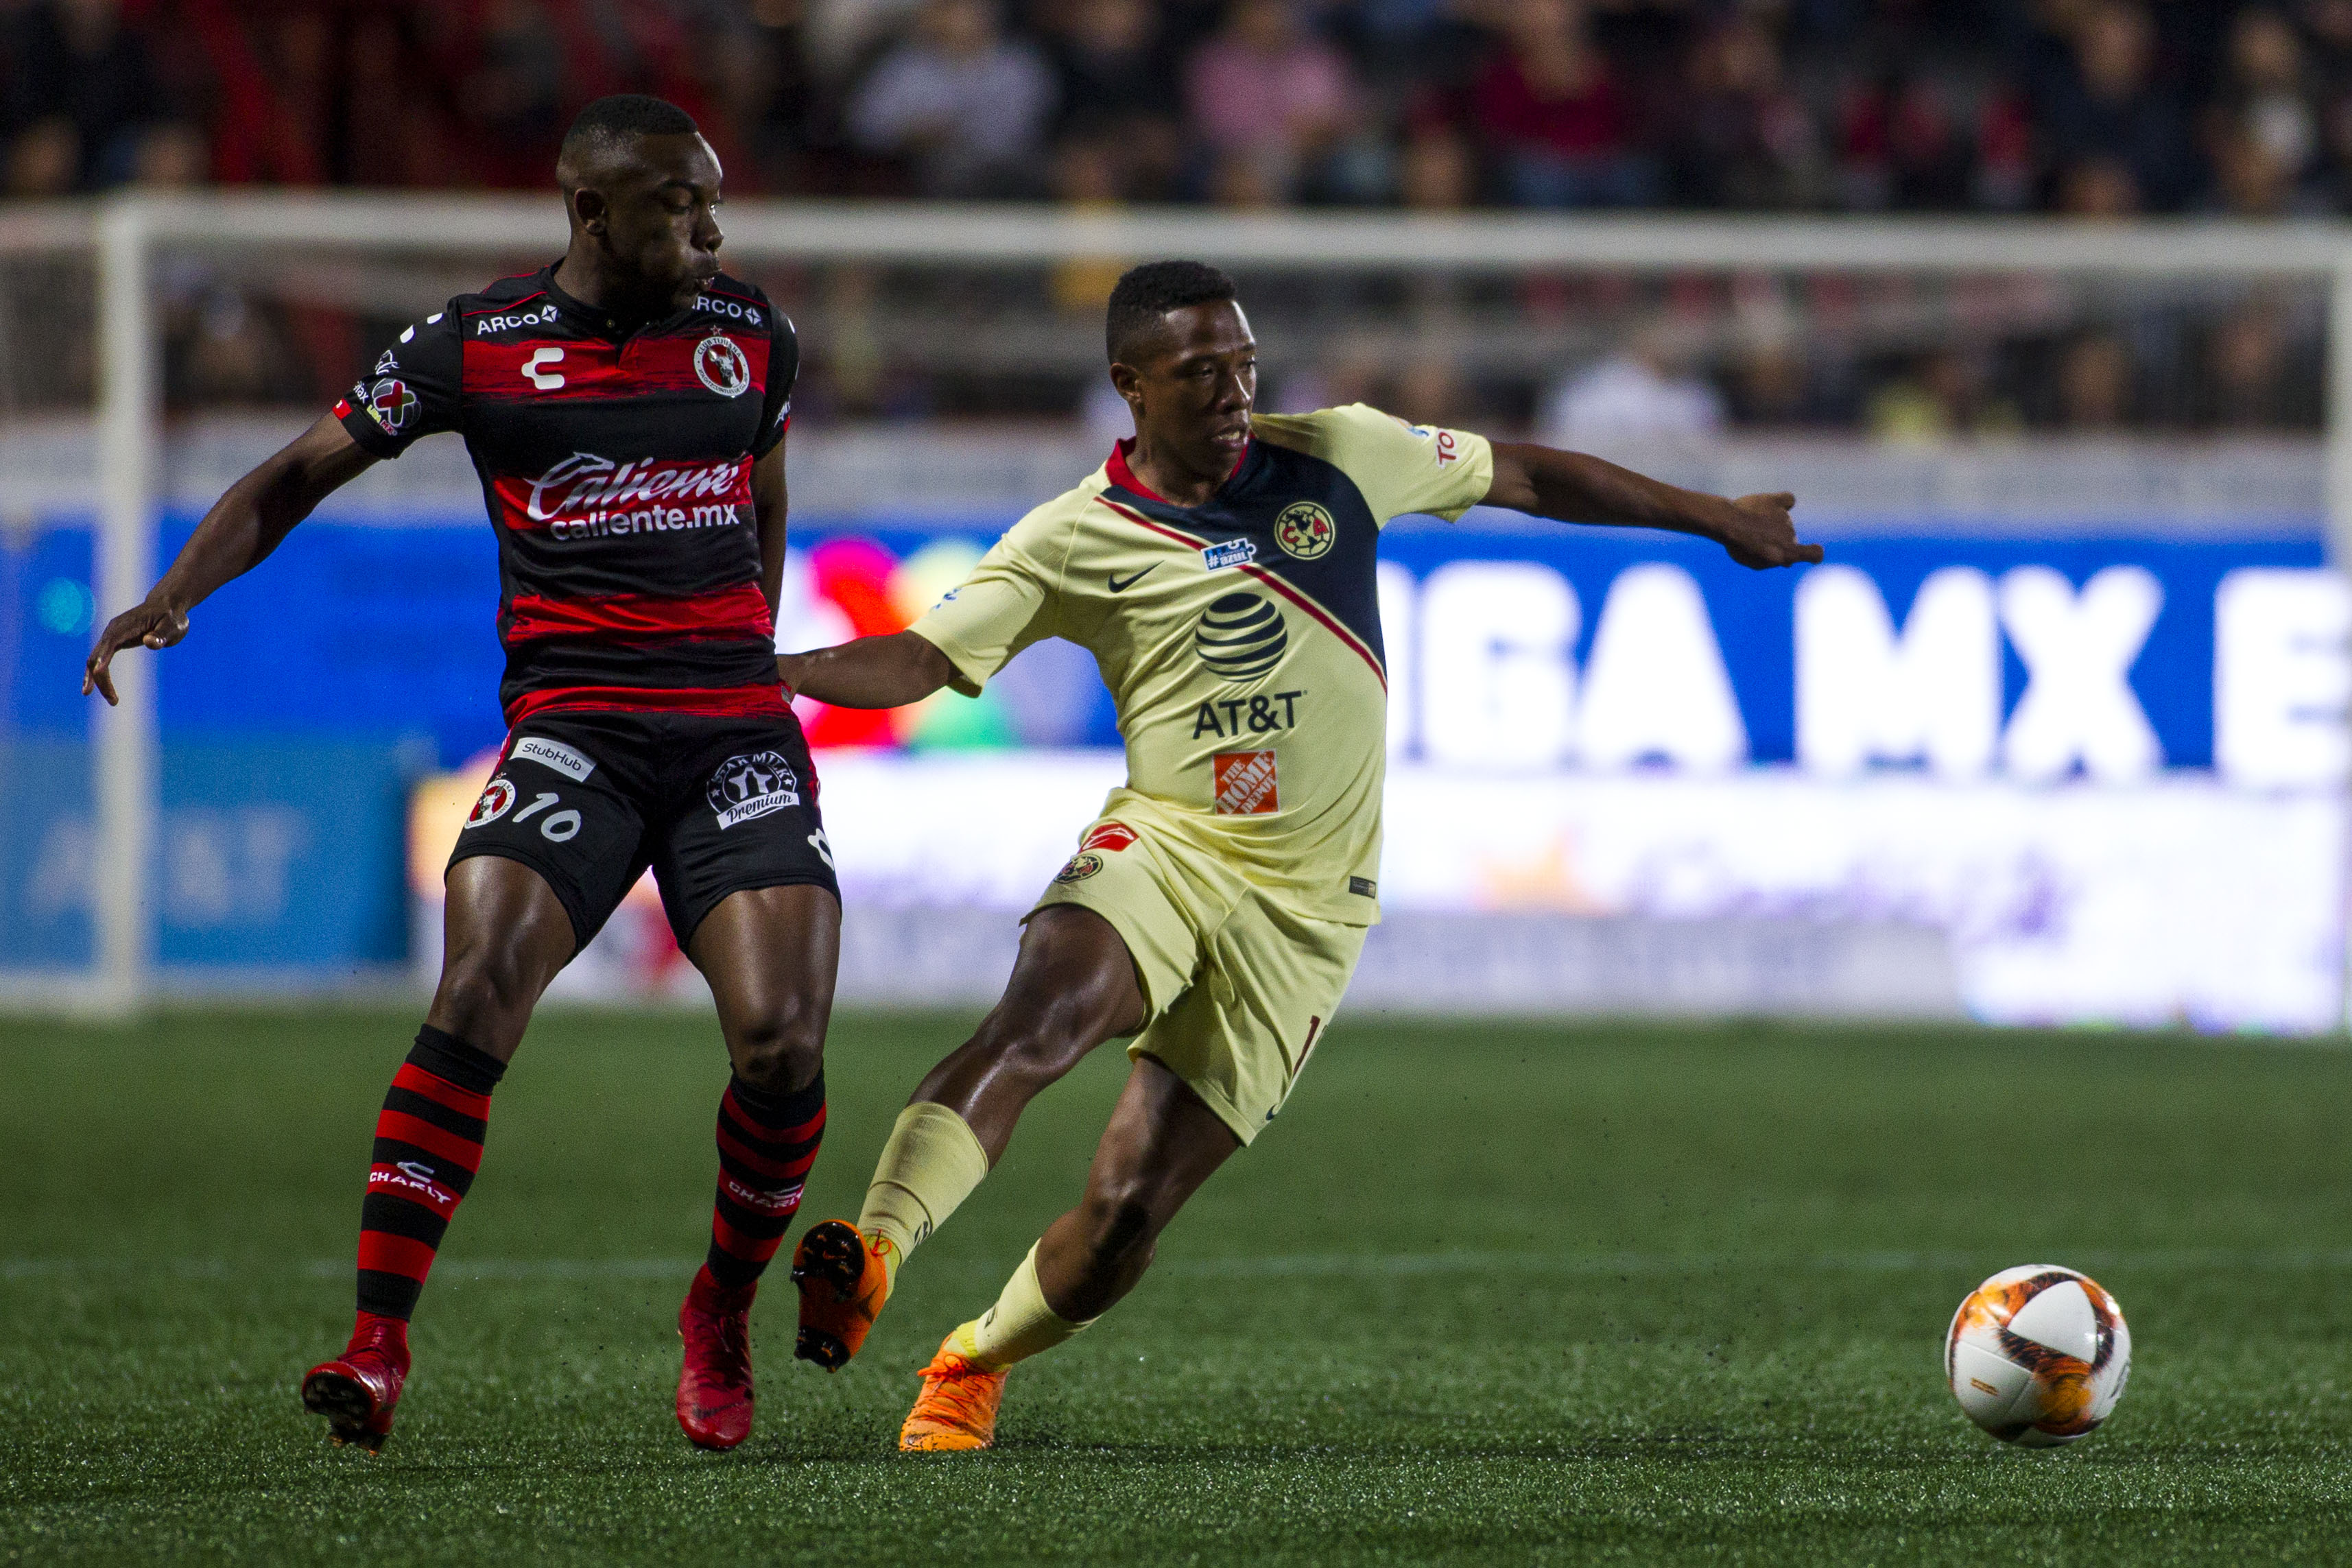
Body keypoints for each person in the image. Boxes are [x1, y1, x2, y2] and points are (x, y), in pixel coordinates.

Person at [779, 260, 1820, 1451]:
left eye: (1244, 363)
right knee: (1037, 1022)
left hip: (1309, 910)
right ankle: (869, 1253)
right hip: (1165, 846)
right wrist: (787, 676)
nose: (1231, 392)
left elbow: (1527, 473)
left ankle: (971, 1359)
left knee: (1123, 1213)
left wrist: (1718, 516)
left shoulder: (1337, 454)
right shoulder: (1072, 537)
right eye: (1197, 371)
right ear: (1128, 385)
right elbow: (918, 661)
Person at [82, 95, 841, 1456]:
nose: (714, 229)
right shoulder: (475, 346)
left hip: (733, 733)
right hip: (575, 731)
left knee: (782, 1042)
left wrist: (748, 655)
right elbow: (297, 474)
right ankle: (375, 1346)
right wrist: (170, 592)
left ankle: (718, 1309)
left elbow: (762, 494)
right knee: (478, 987)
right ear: (591, 210)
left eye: (715, 201)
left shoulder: (750, 336)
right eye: (683, 203)